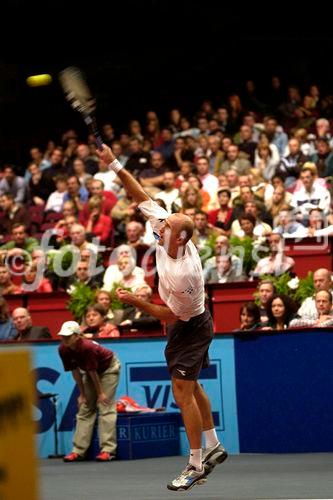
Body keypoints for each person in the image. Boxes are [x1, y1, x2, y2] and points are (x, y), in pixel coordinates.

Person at [97, 143, 228, 491]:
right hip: (187, 323)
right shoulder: (166, 227)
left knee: (181, 394)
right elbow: (137, 192)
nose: (159, 223)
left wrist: (133, 301)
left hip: (192, 325)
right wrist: (113, 163)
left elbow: (168, 315)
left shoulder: (186, 275)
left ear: (179, 237)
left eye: (166, 224)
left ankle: (196, 464)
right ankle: (213, 444)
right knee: (193, 385)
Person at [58, 321, 121, 462]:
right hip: (89, 372)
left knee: (105, 405)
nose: (65, 339)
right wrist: (82, 394)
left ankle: (108, 451)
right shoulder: (63, 349)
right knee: (85, 407)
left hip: (108, 369)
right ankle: (78, 451)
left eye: (68, 336)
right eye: (63, 336)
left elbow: (93, 372)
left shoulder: (87, 347)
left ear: (77, 336)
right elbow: (75, 371)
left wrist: (100, 393)